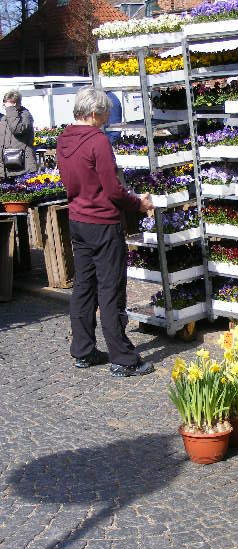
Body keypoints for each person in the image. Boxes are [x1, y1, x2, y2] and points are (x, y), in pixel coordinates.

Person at [57, 86, 154, 377]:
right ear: (96, 113)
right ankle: (122, 358)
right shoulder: (96, 140)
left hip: (78, 219)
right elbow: (113, 190)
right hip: (102, 221)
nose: (107, 119)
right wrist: (138, 204)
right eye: (106, 114)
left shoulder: (64, 138)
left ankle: (83, 350)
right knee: (111, 289)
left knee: (84, 286)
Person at [0, 89, 37, 180]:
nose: (5, 106)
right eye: (5, 103)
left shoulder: (25, 116)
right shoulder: (5, 118)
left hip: (22, 168)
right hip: (8, 167)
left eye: (7, 104)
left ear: (15, 103)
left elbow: (17, 129)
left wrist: (11, 109)